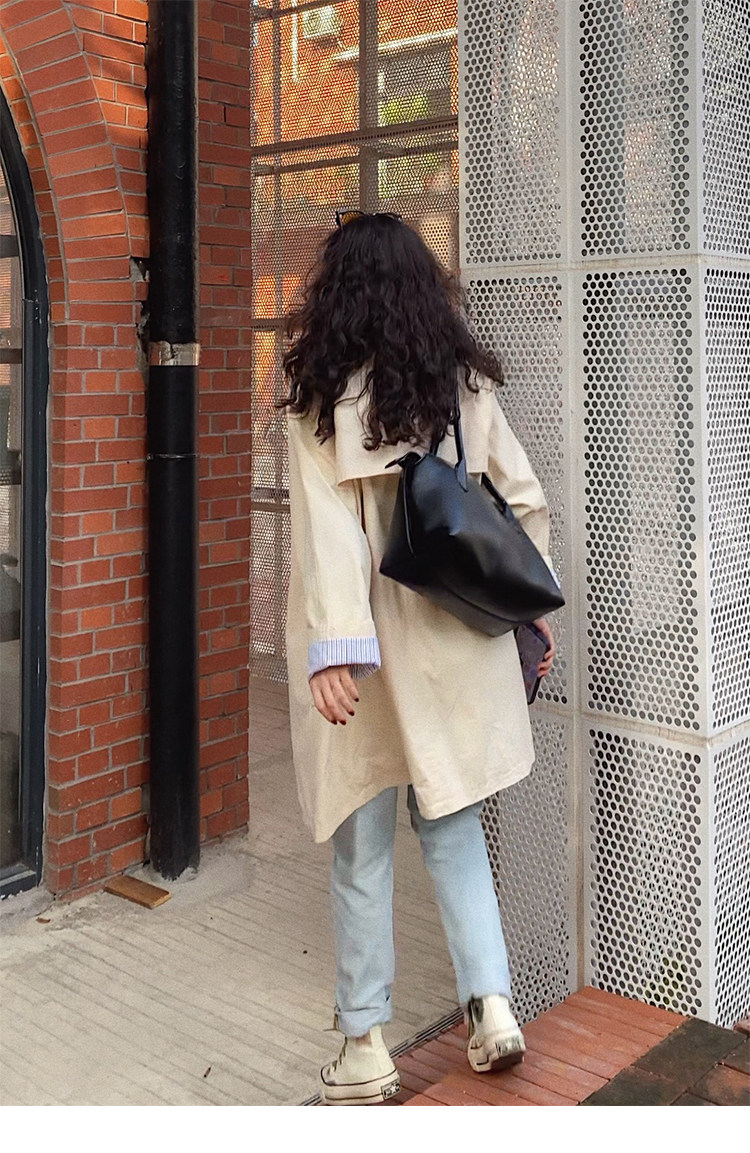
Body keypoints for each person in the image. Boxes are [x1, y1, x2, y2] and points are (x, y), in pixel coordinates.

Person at [279, 210, 557, 1106]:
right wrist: (528, 611)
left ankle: (365, 1044)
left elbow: (329, 536)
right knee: (453, 825)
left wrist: (335, 649)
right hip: (452, 639)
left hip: (365, 652)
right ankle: (493, 1005)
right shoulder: (461, 387)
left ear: (337, 294)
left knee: (361, 842)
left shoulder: (321, 401)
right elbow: (522, 500)